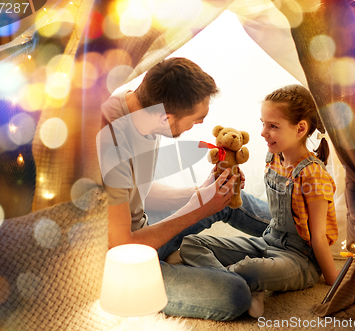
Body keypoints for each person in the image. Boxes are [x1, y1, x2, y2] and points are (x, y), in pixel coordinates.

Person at [97, 57, 272, 320]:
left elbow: (137, 192)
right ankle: (179, 260)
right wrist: (197, 210)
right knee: (234, 294)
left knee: (227, 195)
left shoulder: (140, 108)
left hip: (141, 228)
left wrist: (198, 193)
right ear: (165, 118)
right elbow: (121, 245)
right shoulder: (112, 141)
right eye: (197, 118)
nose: (200, 124)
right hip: (118, 262)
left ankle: (297, 237)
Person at [179, 84, 339, 317]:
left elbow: (318, 239)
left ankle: (238, 281)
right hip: (268, 240)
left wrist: (334, 283)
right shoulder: (273, 157)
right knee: (191, 243)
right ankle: (240, 285)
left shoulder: (314, 175)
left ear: (300, 128)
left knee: (249, 268)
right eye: (263, 123)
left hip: (300, 260)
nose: (263, 132)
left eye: (273, 126)